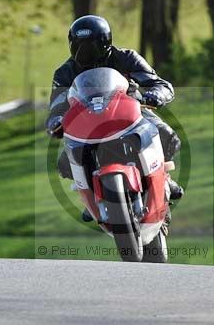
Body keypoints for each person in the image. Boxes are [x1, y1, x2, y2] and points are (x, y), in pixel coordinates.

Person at [45, 15, 184, 216]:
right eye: (79, 46)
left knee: (165, 133)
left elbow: (160, 84)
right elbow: (56, 106)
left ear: (105, 42)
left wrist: (154, 95)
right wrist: (55, 122)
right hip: (87, 122)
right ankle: (90, 194)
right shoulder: (64, 74)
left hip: (132, 113)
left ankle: (163, 177)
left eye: (91, 46)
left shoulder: (126, 57)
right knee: (64, 162)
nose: (85, 52)